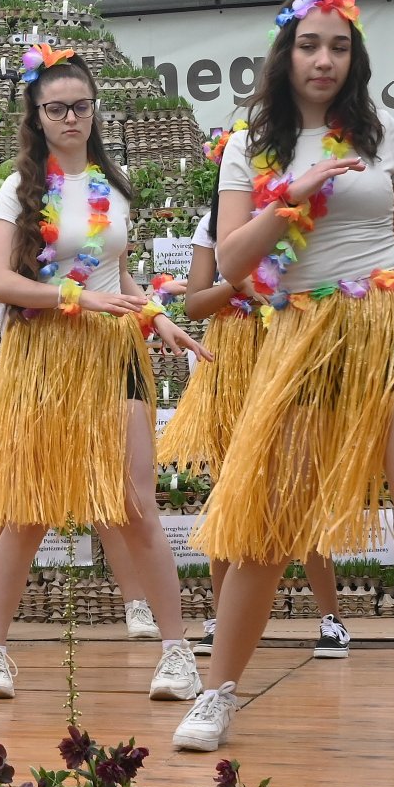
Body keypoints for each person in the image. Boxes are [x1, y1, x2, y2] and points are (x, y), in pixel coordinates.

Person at [176, 0, 394, 764]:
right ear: (286, 54)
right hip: (302, 333)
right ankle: (218, 691)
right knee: (267, 527)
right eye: (310, 45)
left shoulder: (378, 128)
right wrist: (289, 199)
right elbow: (231, 264)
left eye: (338, 46)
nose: (324, 58)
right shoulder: (249, 146)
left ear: (353, 56)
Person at [0, 47, 207, 707]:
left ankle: (176, 653)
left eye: (80, 106)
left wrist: (154, 315)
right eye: (56, 108)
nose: (70, 118)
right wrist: (75, 299)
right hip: (46, 357)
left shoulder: (111, 185)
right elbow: (0, 281)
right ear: (35, 114)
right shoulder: (18, 190)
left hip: (113, 356)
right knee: (27, 508)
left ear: (94, 109)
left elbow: (119, 276)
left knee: (137, 503)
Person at [154, 159, 353, 660]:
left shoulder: (302, 211)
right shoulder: (216, 222)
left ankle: (331, 618)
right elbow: (195, 304)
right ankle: (225, 620)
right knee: (230, 491)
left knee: (300, 489)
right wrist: (237, 287)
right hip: (231, 360)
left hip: (290, 348)